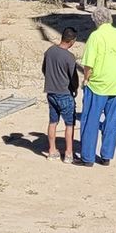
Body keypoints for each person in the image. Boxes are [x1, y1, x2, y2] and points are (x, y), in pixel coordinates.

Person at [76, 5, 116, 166]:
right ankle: (106, 156)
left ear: (96, 20)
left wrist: (86, 80)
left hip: (98, 84)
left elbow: (88, 64)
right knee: (112, 121)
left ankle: (87, 157)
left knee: (90, 120)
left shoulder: (95, 36)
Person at [40, 26, 82, 160]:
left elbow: (44, 69)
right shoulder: (69, 57)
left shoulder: (50, 51)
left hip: (51, 92)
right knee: (69, 124)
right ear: (72, 41)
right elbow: (73, 77)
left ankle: (52, 150)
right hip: (64, 93)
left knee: (53, 122)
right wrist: (74, 88)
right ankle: (69, 153)